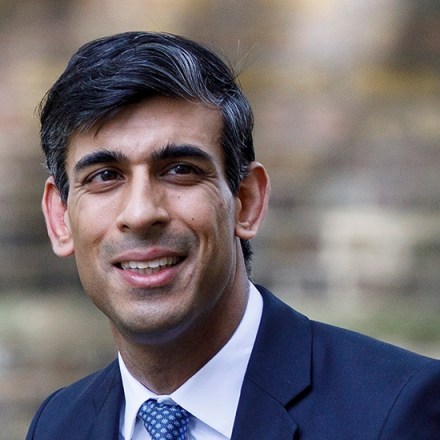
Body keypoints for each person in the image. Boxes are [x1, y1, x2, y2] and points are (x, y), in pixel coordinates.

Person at [26, 31, 440, 440]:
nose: (141, 213)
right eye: (104, 177)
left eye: (180, 170)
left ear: (247, 201)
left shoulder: (396, 410)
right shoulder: (57, 425)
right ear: (60, 219)